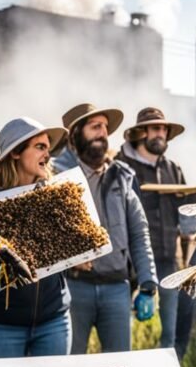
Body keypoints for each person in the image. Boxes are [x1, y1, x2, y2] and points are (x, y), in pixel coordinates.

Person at [0, 117, 72, 358]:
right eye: (40, 147)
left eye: (48, 148)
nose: (48, 155)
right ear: (15, 153)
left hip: (54, 322)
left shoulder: (54, 194)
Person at [52, 103, 157, 353]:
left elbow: (139, 232)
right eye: (95, 127)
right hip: (73, 288)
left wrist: (148, 284)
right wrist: (68, 258)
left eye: (105, 128)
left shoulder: (121, 176)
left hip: (117, 289)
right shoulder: (54, 176)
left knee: (120, 366)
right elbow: (44, 234)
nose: (102, 133)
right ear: (75, 133)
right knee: (69, 365)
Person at [116, 107, 190, 352]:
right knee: (122, 327)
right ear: (141, 133)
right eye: (155, 128)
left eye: (164, 129)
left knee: (168, 332)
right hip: (129, 257)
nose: (161, 134)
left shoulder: (173, 168)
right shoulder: (121, 165)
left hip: (169, 257)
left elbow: (184, 216)